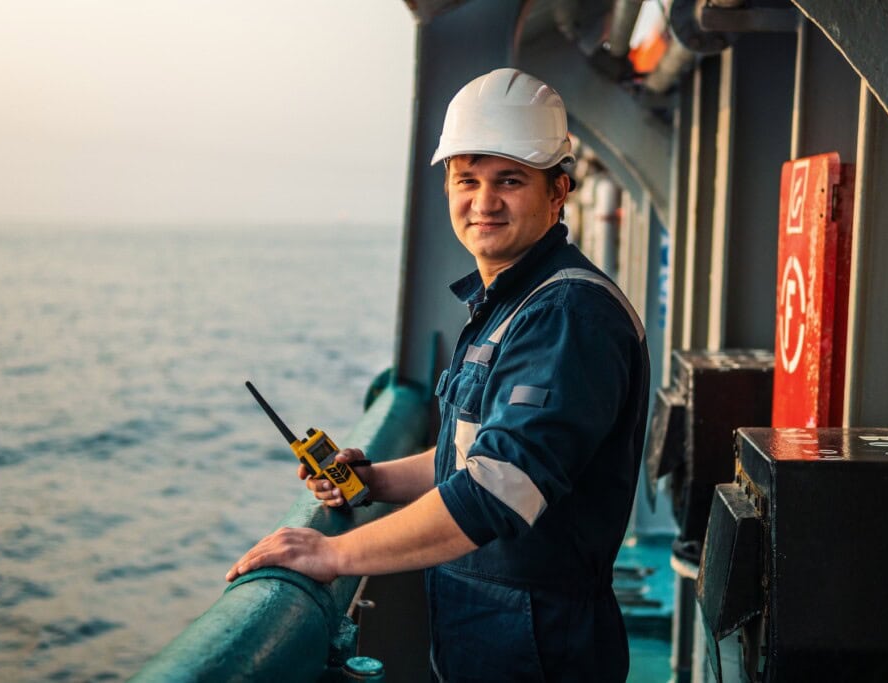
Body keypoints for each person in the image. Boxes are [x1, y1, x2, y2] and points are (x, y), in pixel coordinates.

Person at [227, 68, 650, 681]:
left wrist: (332, 551)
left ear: (558, 192)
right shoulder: (510, 303)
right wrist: (372, 480)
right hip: (491, 633)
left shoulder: (568, 314)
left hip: (539, 646)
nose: (483, 202)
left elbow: (497, 491)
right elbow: (476, 456)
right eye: (467, 180)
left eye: (510, 181)